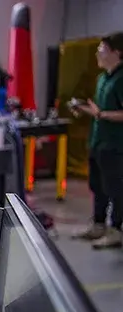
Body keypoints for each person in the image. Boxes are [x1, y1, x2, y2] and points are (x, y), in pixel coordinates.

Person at [73, 32, 123, 250]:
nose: (97, 53)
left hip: (115, 145)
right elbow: (99, 111)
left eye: (102, 49)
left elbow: (113, 113)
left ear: (117, 53)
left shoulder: (121, 79)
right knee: (98, 186)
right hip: (98, 142)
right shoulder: (102, 78)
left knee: (116, 188)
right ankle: (99, 224)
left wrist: (101, 114)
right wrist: (83, 109)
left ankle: (116, 230)